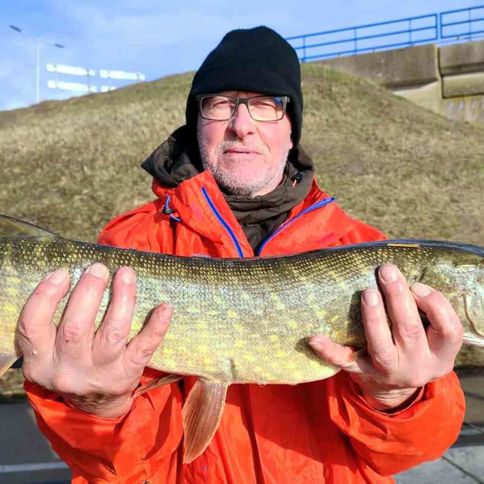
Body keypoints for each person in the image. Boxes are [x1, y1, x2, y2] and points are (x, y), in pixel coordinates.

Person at [19, 26, 464, 483]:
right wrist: (96, 408)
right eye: (221, 103)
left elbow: (411, 453)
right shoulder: (129, 245)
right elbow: (110, 465)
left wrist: (398, 398)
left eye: (267, 104)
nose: (242, 123)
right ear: (197, 123)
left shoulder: (365, 253)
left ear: (292, 130)